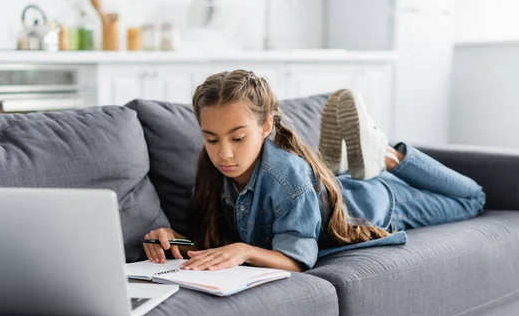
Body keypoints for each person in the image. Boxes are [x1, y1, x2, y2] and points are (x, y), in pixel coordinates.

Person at [141, 70, 486, 272]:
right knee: (320, 183)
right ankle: (332, 172)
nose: (224, 153)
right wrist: (176, 240)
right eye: (211, 139)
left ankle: (388, 157)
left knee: (473, 198)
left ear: (265, 127)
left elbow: (297, 259)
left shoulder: (285, 177)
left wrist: (246, 252)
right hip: (336, 192)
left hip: (378, 204)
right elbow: (215, 245)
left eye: (238, 137)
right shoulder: (212, 170)